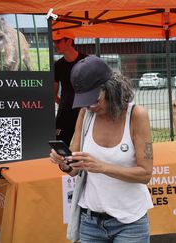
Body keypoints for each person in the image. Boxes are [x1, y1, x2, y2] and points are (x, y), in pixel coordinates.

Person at [50, 56, 154, 243]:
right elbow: (74, 169)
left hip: (130, 222)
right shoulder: (86, 114)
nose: (90, 106)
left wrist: (102, 167)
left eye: (95, 100)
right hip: (90, 221)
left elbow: (145, 174)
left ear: (111, 89)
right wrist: (64, 163)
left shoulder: (136, 115)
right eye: (85, 101)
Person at [53, 30, 87, 146]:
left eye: (58, 41)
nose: (55, 45)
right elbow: (54, 93)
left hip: (85, 112)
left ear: (69, 41)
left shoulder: (87, 62)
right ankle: (64, 164)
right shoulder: (57, 65)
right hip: (65, 113)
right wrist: (63, 103)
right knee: (58, 146)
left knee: (85, 147)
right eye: (54, 41)